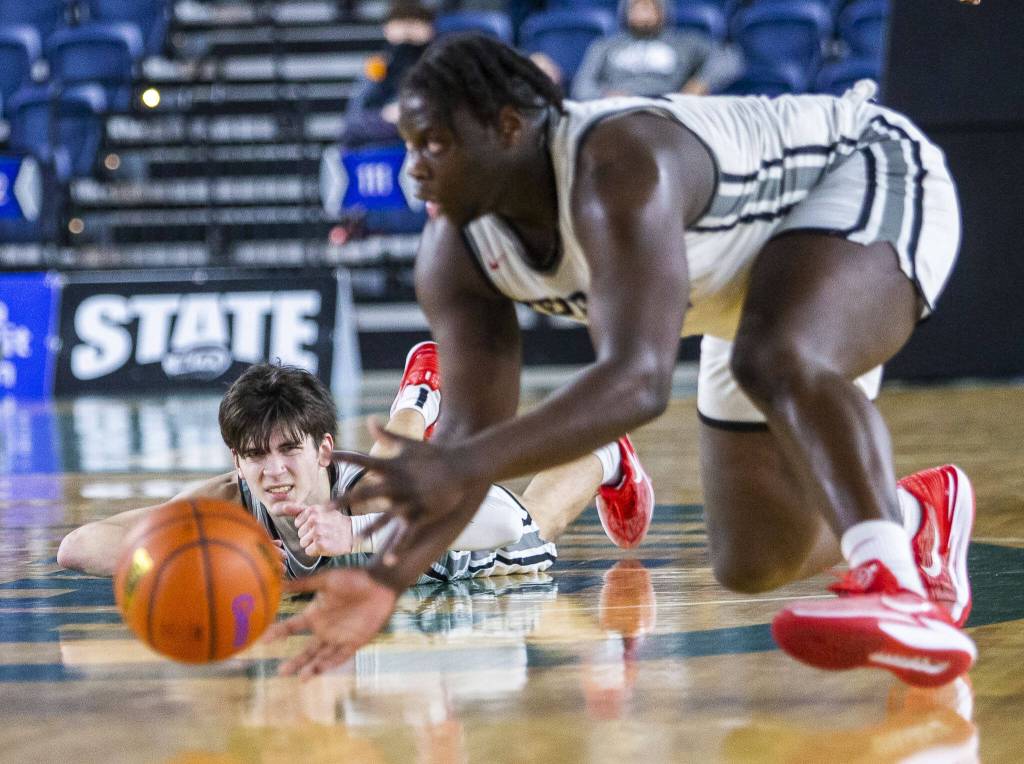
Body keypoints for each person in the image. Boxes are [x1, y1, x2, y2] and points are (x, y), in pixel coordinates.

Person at [269, 34, 977, 688]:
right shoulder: (454, 257)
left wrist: (465, 463)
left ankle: (895, 585)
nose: (413, 170)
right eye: (408, 145)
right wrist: (385, 581)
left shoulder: (614, 164)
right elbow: (464, 442)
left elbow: (639, 381)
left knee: (776, 356)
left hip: (860, 171)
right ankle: (918, 517)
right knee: (754, 560)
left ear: (509, 128)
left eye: (434, 145)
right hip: (739, 282)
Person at [57, 342, 654, 587]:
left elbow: (498, 525)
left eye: (289, 449)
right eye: (255, 456)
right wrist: (211, 559)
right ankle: (416, 405)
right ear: (235, 462)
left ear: (321, 449)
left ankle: (603, 453)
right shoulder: (224, 501)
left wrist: (358, 531)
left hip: (462, 545)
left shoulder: (358, 485)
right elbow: (79, 547)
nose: (274, 472)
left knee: (534, 527)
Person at [571, 0, 743, 101]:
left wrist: (701, 82)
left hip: (669, 108)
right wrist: (605, 96)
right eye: (637, 7)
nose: (643, 14)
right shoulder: (605, 45)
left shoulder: (685, 41)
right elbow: (581, 86)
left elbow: (728, 58)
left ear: (663, 10)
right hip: (615, 109)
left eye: (649, 7)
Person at [339, 2, 436, 149]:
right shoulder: (378, 65)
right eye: (400, 22)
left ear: (430, 28)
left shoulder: (438, 66)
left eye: (415, 22)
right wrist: (384, 115)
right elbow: (354, 117)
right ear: (386, 28)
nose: (407, 30)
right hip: (386, 138)